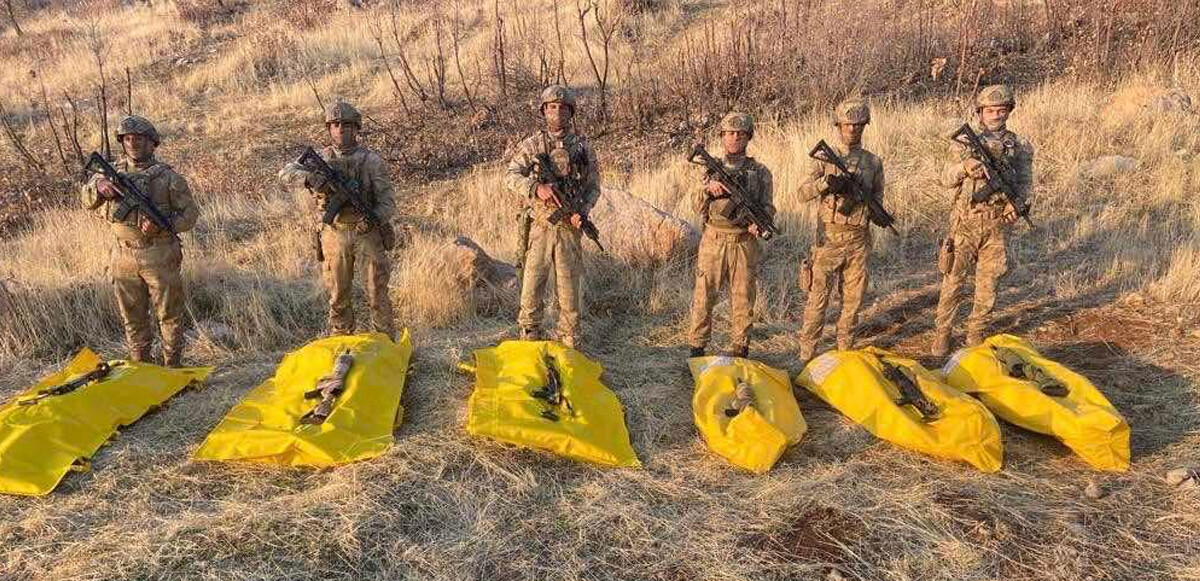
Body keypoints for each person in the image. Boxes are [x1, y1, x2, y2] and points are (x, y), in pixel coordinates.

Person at [82, 115, 200, 366]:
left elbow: (190, 216)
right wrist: (99, 185)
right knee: (132, 317)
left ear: (152, 143)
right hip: (123, 256)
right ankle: (141, 366)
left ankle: (172, 367)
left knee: (169, 315)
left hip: (158, 253)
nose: (133, 143)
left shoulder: (168, 178)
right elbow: (87, 199)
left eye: (139, 138)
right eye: (127, 139)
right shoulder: (110, 173)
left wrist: (161, 225)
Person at [931, 84, 1035, 356]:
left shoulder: (1019, 145)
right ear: (980, 112)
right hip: (964, 222)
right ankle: (943, 332)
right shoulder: (964, 142)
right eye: (990, 110)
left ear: (1009, 111)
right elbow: (945, 178)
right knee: (953, 280)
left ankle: (975, 334)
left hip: (997, 224)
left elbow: (1025, 183)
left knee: (988, 285)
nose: (996, 115)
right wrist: (964, 168)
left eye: (1002, 110)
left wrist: (1016, 204)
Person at [279, 101, 398, 339]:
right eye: (334, 125)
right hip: (335, 233)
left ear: (356, 129)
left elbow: (388, 203)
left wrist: (373, 219)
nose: (340, 130)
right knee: (338, 295)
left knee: (377, 294)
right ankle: (341, 342)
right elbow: (285, 174)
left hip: (367, 234)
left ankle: (386, 345)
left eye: (345, 125)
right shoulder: (321, 159)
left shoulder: (371, 161)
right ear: (328, 129)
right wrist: (310, 179)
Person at [503, 85, 601, 350]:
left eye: (562, 107)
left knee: (569, 294)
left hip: (569, 229)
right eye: (552, 107)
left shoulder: (582, 147)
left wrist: (583, 211)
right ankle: (529, 340)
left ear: (571, 112)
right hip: (541, 227)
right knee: (531, 288)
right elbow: (510, 176)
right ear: (544, 111)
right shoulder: (533, 144)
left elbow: (594, 186)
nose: (557, 112)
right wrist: (536, 188)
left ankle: (569, 344)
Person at [797, 99, 886, 363]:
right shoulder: (824, 160)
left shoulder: (873, 161)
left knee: (853, 300)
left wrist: (876, 212)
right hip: (828, 241)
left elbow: (878, 197)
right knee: (818, 300)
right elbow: (802, 193)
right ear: (839, 126)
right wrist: (825, 184)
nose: (853, 130)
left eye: (858, 126)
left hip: (859, 239)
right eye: (848, 125)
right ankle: (807, 354)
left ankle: (845, 350)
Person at [687, 112, 775, 359]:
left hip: (744, 242)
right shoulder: (710, 169)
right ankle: (697, 349)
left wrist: (759, 224)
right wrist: (707, 191)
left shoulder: (760, 172)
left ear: (748, 137)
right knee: (704, 296)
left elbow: (768, 207)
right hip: (714, 240)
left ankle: (740, 349)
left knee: (743, 299)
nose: (735, 138)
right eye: (730, 133)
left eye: (740, 134)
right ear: (722, 136)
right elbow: (695, 205)